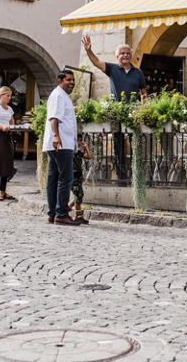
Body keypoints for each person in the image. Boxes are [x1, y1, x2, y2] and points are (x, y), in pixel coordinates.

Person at [81, 36, 146, 180]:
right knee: (119, 145)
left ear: (131, 55)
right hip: (117, 113)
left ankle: (137, 176)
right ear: (117, 56)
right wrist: (88, 50)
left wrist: (143, 108)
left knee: (136, 145)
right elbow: (96, 62)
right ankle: (122, 177)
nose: (125, 55)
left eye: (127, 53)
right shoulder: (112, 69)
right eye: (122, 53)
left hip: (134, 113)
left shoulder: (138, 73)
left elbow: (144, 92)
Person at [44, 70, 79, 226]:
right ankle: (61, 214)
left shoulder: (62, 96)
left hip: (58, 142)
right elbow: (54, 118)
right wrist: (57, 136)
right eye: (68, 80)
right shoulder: (58, 95)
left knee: (54, 179)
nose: (71, 82)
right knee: (66, 178)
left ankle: (53, 214)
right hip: (61, 143)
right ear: (60, 81)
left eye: (73, 80)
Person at [70, 135, 92, 224]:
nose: (79, 142)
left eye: (80, 140)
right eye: (78, 140)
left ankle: (66, 209)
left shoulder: (78, 152)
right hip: (73, 176)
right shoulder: (70, 152)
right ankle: (78, 216)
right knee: (78, 195)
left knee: (79, 195)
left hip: (78, 176)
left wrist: (86, 147)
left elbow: (89, 157)